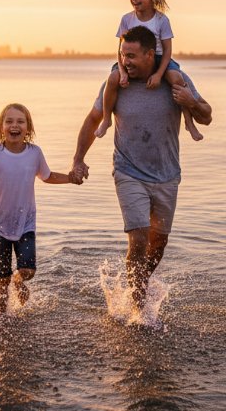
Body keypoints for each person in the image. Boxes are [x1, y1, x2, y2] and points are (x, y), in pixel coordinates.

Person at [72, 25, 212, 309]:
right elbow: (92, 119)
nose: (126, 62)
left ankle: (139, 283)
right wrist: (78, 159)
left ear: (151, 55)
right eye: (123, 55)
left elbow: (207, 116)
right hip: (128, 171)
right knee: (137, 238)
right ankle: (138, 310)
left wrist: (190, 102)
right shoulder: (116, 84)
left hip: (166, 175)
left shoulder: (175, 80)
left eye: (133, 56)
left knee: (157, 244)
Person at [0, 103, 79, 313]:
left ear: (28, 128)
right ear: (1, 128)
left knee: (27, 270)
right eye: (9, 121)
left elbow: (48, 176)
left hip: (26, 223)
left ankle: (18, 282)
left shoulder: (35, 153)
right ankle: (1, 318)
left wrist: (70, 178)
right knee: (1, 279)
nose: (14, 125)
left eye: (20, 121)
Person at [94, 0, 204, 142]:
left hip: (159, 59)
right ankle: (107, 119)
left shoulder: (161, 20)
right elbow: (120, 50)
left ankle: (189, 122)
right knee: (112, 78)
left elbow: (167, 51)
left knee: (177, 78)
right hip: (133, 60)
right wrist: (123, 72)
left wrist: (159, 74)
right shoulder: (126, 19)